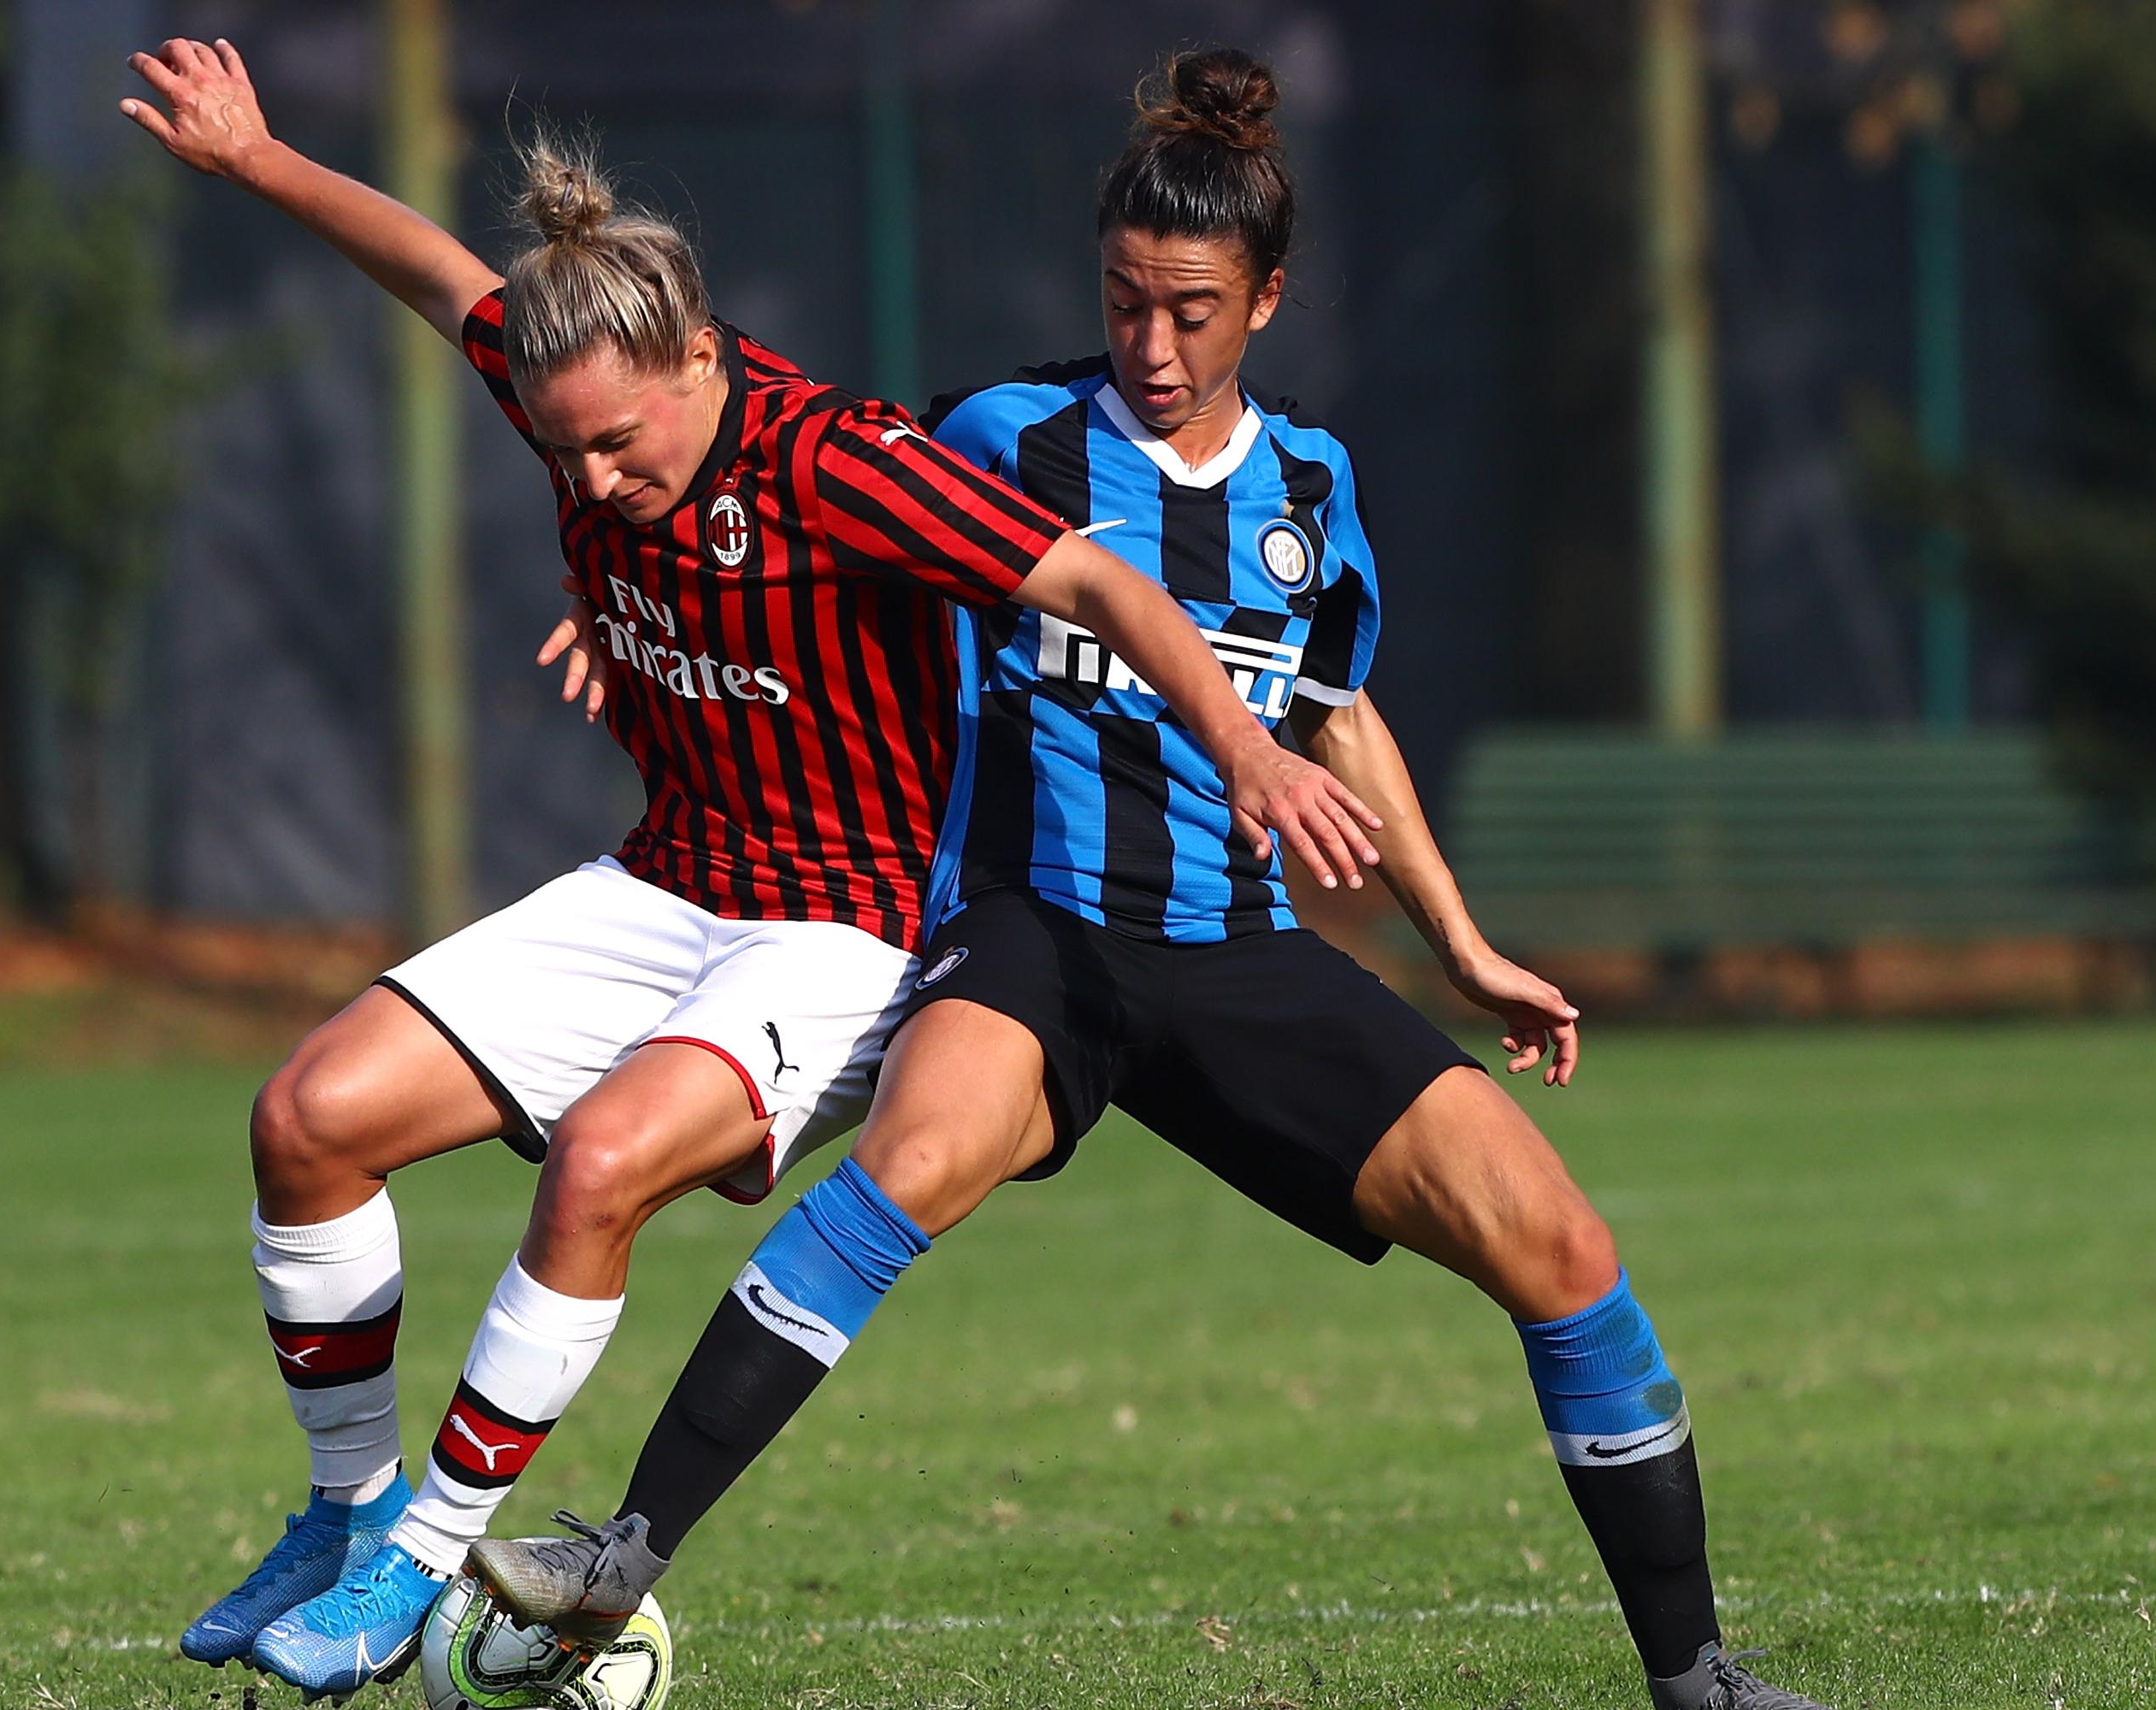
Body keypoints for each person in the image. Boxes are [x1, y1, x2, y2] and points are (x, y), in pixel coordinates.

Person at [471, 50, 1832, 1710]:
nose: (1155, 345)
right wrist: (637, 606)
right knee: (912, 1163)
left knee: (1559, 1245)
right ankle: (619, 1557)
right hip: (1028, 932)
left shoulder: (1310, 488)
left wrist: (1463, 943)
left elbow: (1337, 717)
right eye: (1125, 303)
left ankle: (1698, 1683)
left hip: (1239, 950)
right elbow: (774, 474)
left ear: (1268, 299)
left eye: (1192, 311)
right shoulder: (1000, 436)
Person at [117, 36, 1379, 1701]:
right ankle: (347, 1514)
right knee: (306, 1118)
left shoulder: (838, 462)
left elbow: (1104, 586)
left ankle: (429, 1553)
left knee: (600, 1166)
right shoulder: (571, 381)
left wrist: (1253, 752)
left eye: (618, 448)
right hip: (665, 881)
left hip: (842, 928)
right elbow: (434, 271)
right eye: (563, 454)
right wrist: (254, 154)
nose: (593, 483)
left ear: (700, 355)